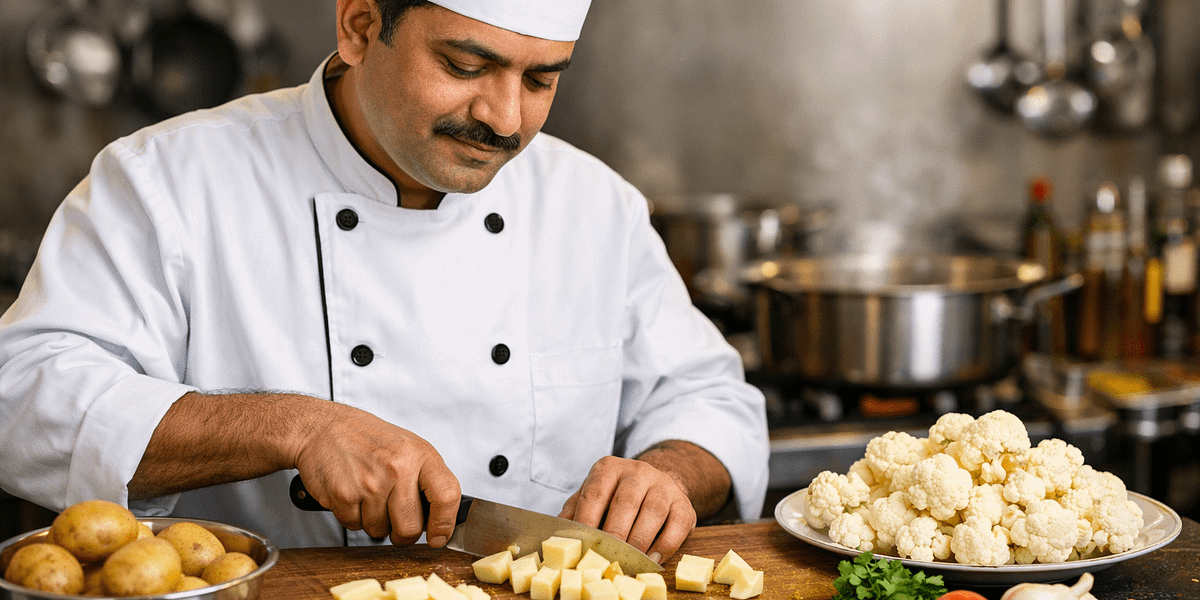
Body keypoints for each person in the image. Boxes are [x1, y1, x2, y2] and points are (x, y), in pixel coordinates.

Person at [0, 0, 768, 563]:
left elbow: (708, 396)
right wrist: (297, 428)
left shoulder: (592, 205)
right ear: (360, 26)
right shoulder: (170, 182)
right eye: (466, 66)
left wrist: (667, 474)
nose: (505, 118)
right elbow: (23, 396)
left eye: (541, 79)